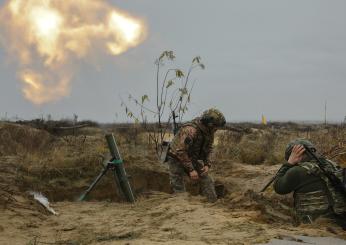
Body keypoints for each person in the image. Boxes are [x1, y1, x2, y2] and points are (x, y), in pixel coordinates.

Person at [274, 139, 346, 229]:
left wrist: (289, 163)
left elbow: (278, 187)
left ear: (293, 154)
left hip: (317, 225)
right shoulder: (333, 164)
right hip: (341, 219)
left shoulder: (297, 171)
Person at [167, 108, 226, 202]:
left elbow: (209, 149)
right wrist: (191, 170)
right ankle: (180, 207)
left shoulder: (209, 131)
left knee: (207, 179)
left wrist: (207, 164)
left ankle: (213, 203)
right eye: (216, 126)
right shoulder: (191, 130)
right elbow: (180, 151)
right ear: (210, 124)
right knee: (178, 184)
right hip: (176, 157)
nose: (217, 129)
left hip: (191, 157)